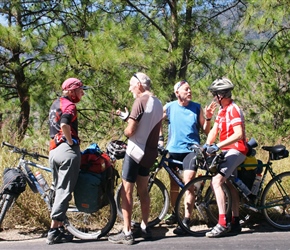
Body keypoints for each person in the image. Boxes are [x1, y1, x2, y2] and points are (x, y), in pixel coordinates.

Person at [108, 72, 163, 245]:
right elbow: (150, 125)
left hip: (134, 151)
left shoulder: (139, 101)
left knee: (127, 191)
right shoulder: (159, 103)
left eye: (131, 84)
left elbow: (131, 131)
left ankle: (127, 232)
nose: (129, 88)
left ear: (139, 85)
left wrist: (125, 131)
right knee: (144, 190)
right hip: (149, 153)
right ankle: (146, 228)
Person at [158, 80, 217, 235]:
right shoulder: (169, 107)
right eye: (186, 89)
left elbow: (205, 130)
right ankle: (174, 213)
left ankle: (186, 220)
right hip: (173, 149)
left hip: (191, 150)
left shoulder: (196, 107)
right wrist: (160, 139)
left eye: (190, 89)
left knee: (188, 182)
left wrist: (209, 117)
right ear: (177, 92)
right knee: (174, 185)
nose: (189, 91)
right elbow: (157, 120)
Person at [47, 78, 89, 244]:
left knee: (59, 190)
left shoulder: (56, 103)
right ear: (71, 91)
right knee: (64, 191)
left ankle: (59, 228)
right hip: (67, 151)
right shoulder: (70, 106)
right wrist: (70, 142)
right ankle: (53, 230)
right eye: (80, 90)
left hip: (53, 151)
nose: (82, 93)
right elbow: (65, 124)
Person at [204, 77, 248, 238]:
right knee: (230, 184)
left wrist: (218, 146)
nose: (214, 97)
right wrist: (206, 145)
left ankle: (222, 222)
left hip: (236, 150)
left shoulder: (233, 109)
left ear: (222, 94)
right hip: (227, 150)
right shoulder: (222, 111)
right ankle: (235, 221)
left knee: (216, 181)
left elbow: (239, 134)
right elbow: (214, 130)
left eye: (215, 94)